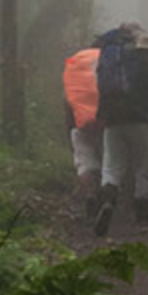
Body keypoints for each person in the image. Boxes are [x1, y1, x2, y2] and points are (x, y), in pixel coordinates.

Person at [94, 30, 148, 236]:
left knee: (112, 166)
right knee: (143, 166)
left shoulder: (116, 61)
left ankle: (108, 202)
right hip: (141, 121)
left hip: (113, 119)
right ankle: (142, 217)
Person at [63, 45, 102, 220]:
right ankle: (106, 196)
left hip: (78, 125)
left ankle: (90, 196)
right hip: (103, 124)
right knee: (107, 161)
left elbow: (67, 109)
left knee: (84, 164)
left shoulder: (74, 80)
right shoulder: (107, 73)